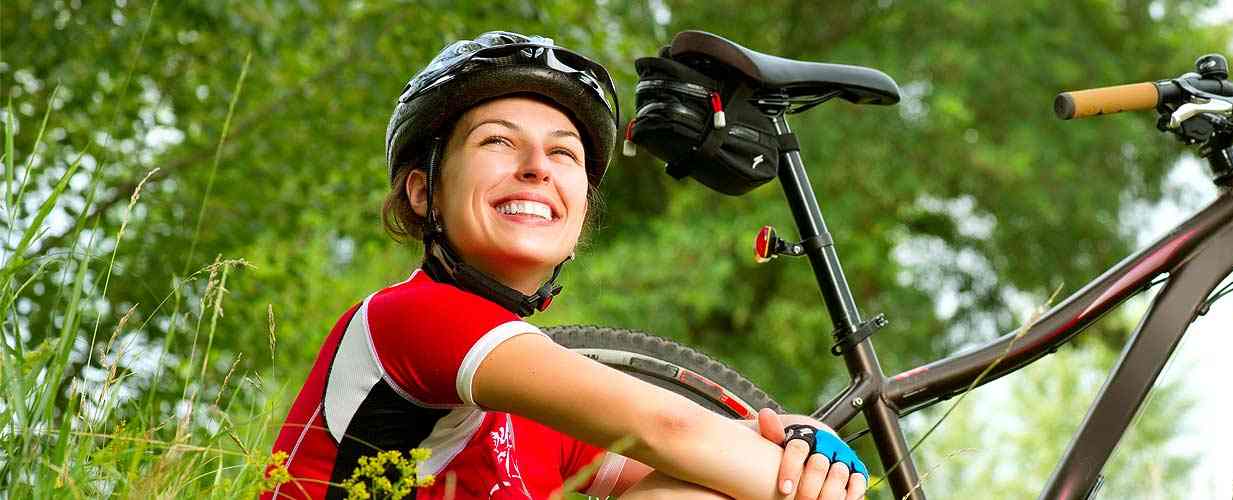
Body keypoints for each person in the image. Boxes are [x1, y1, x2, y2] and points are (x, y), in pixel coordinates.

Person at [262, 31, 868, 500]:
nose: (537, 168)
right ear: (424, 193)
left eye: (563, 152)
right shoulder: (411, 317)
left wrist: (801, 441)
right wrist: (816, 483)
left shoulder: (536, 413)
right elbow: (671, 429)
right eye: (498, 141)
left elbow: (697, 463)